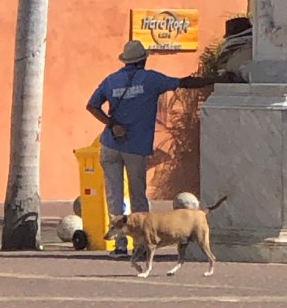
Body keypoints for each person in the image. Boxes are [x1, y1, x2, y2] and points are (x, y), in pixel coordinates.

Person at [86, 39, 220, 254]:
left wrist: (112, 124)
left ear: (125, 60)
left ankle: (120, 245)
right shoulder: (151, 79)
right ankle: (141, 244)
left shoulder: (111, 80)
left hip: (109, 144)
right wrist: (216, 79)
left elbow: (92, 106)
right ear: (143, 60)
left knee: (114, 195)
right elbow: (184, 83)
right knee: (138, 195)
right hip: (135, 146)